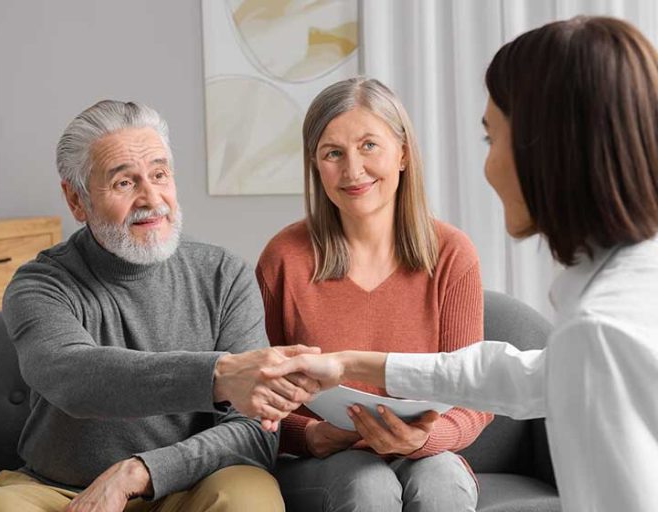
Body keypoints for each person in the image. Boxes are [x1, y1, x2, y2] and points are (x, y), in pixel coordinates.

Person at [264, 16, 658, 512]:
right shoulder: (612, 310)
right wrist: (346, 368)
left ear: (550, 150)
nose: (488, 168)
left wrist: (421, 436)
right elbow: (507, 376)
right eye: (332, 153)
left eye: (492, 140)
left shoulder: (600, 330)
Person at [0, 100, 321, 512]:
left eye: (160, 175)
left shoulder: (224, 274)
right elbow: (74, 377)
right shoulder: (40, 284)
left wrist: (143, 471)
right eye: (124, 182)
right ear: (76, 200)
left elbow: (254, 430)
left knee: (249, 495)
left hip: (188, 486)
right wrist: (219, 375)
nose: (151, 198)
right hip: (61, 493)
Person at [256, 77, 493, 511]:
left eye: (368, 146)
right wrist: (308, 435)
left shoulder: (453, 253)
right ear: (315, 165)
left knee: (442, 482)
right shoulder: (284, 258)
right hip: (321, 462)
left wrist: (424, 438)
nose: (353, 170)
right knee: (368, 485)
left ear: (402, 153)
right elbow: (252, 394)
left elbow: (475, 395)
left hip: (424, 454)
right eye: (333, 153)